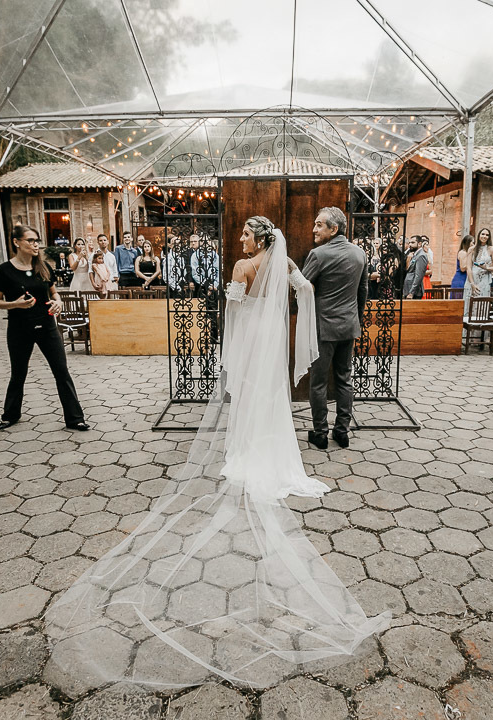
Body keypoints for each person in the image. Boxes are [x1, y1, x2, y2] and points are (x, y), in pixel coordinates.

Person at [45, 215, 387, 689]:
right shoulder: (287, 259)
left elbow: (231, 314)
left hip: (251, 344)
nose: (240, 239)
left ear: (258, 237)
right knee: (271, 399)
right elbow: (303, 291)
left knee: (247, 397)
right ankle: (274, 452)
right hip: (276, 345)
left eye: (246, 233)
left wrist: (235, 334)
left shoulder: (244, 266)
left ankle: (244, 449)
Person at [0, 225, 88, 432]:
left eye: (37, 240)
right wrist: (15, 304)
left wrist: (58, 302)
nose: (36, 244)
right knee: (19, 373)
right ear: (17, 242)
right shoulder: (4, 271)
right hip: (19, 328)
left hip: (47, 326)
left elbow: (54, 293)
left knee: (61, 371)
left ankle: (75, 418)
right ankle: (10, 415)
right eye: (30, 240)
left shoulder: (43, 267)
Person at [303, 207, 369, 450]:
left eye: (319, 225)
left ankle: (320, 433)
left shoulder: (318, 255)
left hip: (323, 329)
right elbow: (363, 292)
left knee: (318, 382)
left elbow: (302, 288)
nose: (314, 229)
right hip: (349, 326)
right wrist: (355, 318)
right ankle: (342, 431)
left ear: (334, 229)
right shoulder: (359, 254)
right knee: (344, 379)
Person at [466, 228, 493, 302]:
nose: (485, 236)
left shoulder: (492, 249)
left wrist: (486, 268)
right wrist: (472, 284)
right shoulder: (471, 249)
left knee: (481, 303)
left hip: (484, 279)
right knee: (469, 302)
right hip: (471, 279)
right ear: (479, 235)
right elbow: (468, 267)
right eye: (483, 234)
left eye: (487, 235)